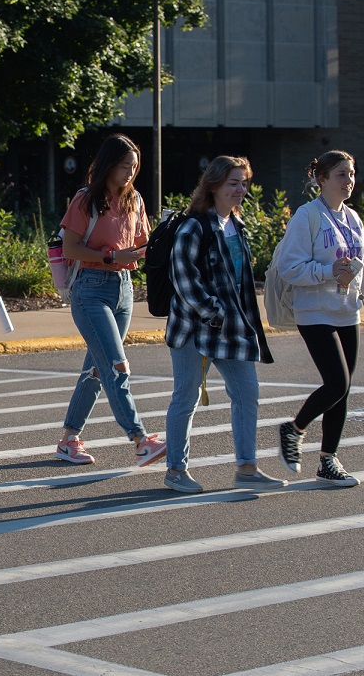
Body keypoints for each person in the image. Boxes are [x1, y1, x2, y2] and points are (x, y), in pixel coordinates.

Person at [273, 150, 364, 487]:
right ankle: (294, 428)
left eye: (352, 174)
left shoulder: (352, 219)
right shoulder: (307, 216)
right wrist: (328, 271)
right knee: (337, 383)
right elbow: (290, 267)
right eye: (342, 175)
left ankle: (328, 461)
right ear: (321, 179)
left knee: (341, 392)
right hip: (314, 312)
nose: (349, 181)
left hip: (347, 313)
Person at [163, 156, 286, 493]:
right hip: (194, 329)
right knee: (185, 397)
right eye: (234, 183)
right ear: (214, 185)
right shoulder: (193, 226)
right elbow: (183, 278)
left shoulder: (237, 226)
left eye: (244, 183)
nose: (240, 189)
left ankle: (247, 467)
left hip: (232, 330)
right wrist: (213, 311)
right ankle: (176, 471)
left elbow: (242, 283)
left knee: (247, 393)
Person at [54, 133, 165, 467]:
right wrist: (111, 256)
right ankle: (139, 438)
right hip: (91, 290)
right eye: (123, 166)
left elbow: (144, 243)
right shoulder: (86, 199)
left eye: (134, 166)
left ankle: (69, 440)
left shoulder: (135, 200)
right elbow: (69, 248)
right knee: (116, 366)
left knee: (97, 369)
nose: (129, 172)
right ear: (108, 165)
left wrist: (158, 243)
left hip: (124, 289)